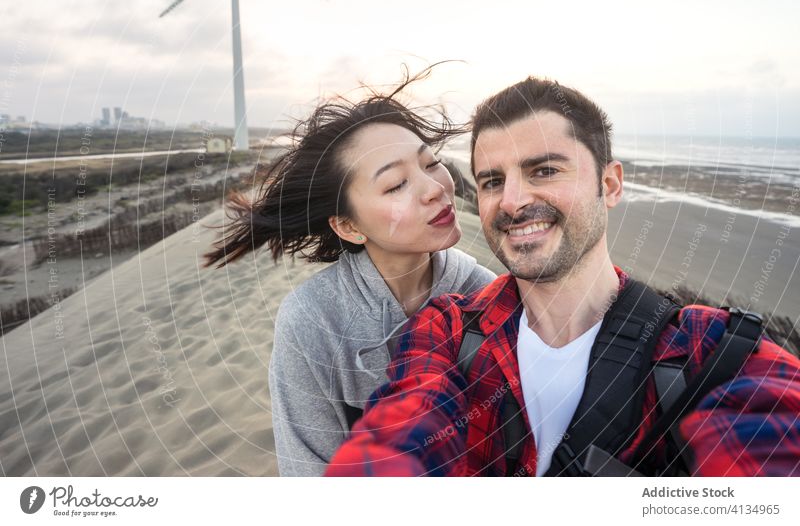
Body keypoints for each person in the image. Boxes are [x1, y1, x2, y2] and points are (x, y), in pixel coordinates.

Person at [324, 76, 800, 477]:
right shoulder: (447, 332)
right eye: (491, 181)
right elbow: (401, 434)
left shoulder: (710, 351)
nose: (511, 201)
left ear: (609, 184)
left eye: (545, 170)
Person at [202, 69, 496, 476]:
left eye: (433, 163)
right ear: (349, 226)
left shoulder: (486, 295)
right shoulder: (313, 320)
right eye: (395, 185)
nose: (434, 188)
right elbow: (307, 472)